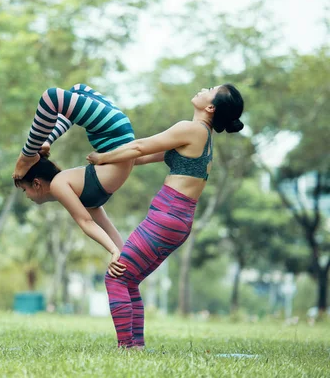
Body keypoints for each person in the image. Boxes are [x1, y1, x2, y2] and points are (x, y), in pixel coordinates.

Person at [86, 84, 244, 349]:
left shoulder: (191, 129)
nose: (203, 88)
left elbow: (138, 147)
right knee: (130, 279)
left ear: (211, 107)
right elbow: (139, 158)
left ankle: (126, 348)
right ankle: (135, 346)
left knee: (116, 277)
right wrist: (108, 155)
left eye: (211, 89)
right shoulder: (200, 136)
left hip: (167, 217)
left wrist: (101, 157)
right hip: (177, 221)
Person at [13, 83, 137, 277]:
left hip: (112, 133)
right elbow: (107, 227)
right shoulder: (82, 194)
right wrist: (126, 261)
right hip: (115, 134)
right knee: (75, 91)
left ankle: (28, 154)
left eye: (24, 190)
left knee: (53, 97)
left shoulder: (59, 184)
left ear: (37, 183)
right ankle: (45, 141)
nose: (26, 196)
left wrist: (113, 252)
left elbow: (86, 223)